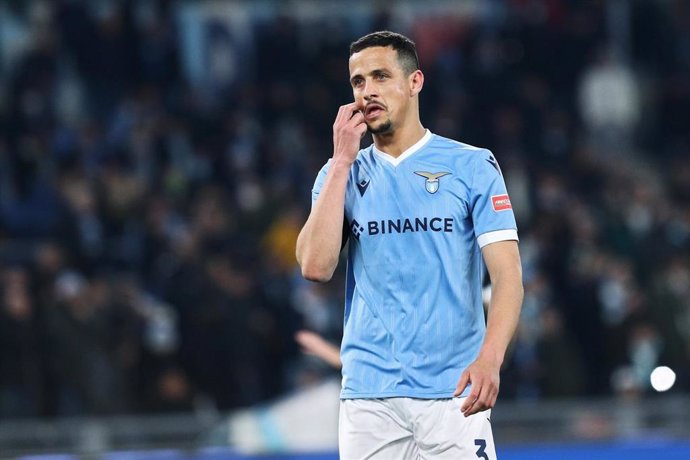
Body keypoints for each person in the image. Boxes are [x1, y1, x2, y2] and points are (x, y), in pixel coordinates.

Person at [295, 31, 524, 459]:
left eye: (380, 76)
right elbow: (314, 266)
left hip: (454, 392)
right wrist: (343, 160)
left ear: (415, 82)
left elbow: (508, 275)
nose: (367, 92)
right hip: (369, 397)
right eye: (358, 82)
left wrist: (491, 357)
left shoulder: (472, 166)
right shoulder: (339, 174)